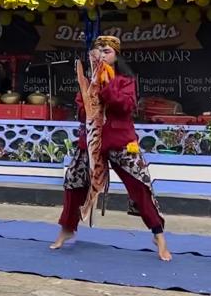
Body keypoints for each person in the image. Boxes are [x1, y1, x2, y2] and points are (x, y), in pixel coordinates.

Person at [51, 36, 171, 261]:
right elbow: (81, 112)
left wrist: (107, 86)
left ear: (115, 55)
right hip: (92, 140)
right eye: (98, 51)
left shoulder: (125, 81)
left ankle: (158, 234)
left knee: (140, 185)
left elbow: (124, 107)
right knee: (74, 181)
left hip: (120, 140)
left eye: (107, 51)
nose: (102, 55)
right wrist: (91, 95)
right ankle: (67, 228)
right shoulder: (87, 81)